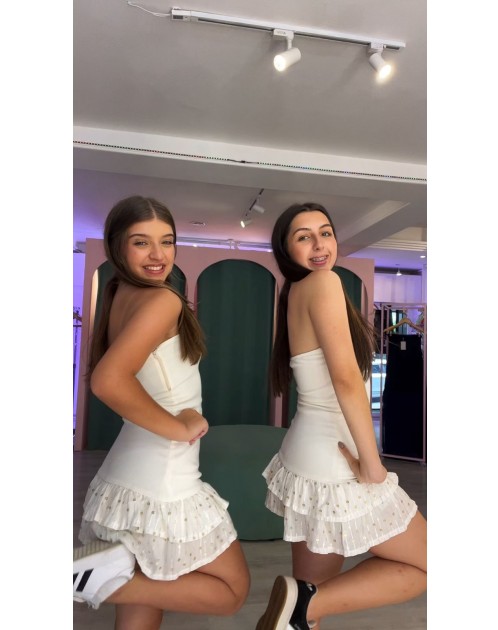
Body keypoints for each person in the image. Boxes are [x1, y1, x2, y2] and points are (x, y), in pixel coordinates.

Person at [73, 196, 250, 629]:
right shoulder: (162, 300)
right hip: (162, 477)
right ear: (117, 246)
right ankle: (80, 579)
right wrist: (179, 427)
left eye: (166, 241)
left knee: (143, 605)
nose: (158, 255)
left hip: (126, 475)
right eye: (141, 242)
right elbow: (107, 381)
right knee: (231, 591)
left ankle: (93, 577)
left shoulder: (120, 293)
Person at [256, 202, 427, 630]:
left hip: (308, 454)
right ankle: (302, 607)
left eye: (326, 232)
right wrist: (372, 463)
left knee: (306, 599)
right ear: (286, 249)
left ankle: (301, 608)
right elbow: (347, 380)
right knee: (428, 563)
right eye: (304, 237)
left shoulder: (295, 292)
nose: (319, 245)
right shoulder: (323, 282)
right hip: (335, 459)